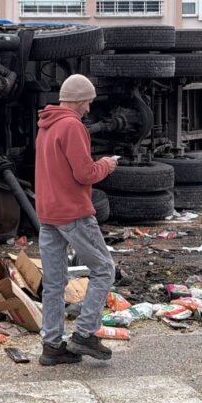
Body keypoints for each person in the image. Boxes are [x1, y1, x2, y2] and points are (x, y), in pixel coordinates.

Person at [34, 74, 118, 366]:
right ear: (80, 100)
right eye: (88, 103)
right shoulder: (72, 126)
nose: (89, 109)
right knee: (105, 268)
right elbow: (85, 174)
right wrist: (107, 164)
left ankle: (52, 345)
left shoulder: (46, 125)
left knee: (55, 282)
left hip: (48, 213)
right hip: (73, 212)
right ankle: (84, 333)